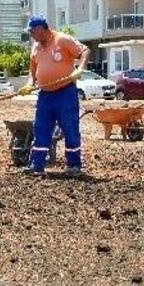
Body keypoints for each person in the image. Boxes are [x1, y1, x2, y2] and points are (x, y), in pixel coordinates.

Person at [19, 14, 89, 177]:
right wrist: (30, 83)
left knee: (70, 128)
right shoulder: (36, 47)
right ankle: (36, 165)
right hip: (45, 95)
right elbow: (33, 69)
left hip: (65, 92)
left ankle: (73, 165)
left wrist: (80, 68)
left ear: (42, 29)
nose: (31, 35)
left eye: (32, 31)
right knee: (41, 129)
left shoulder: (62, 39)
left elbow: (85, 50)